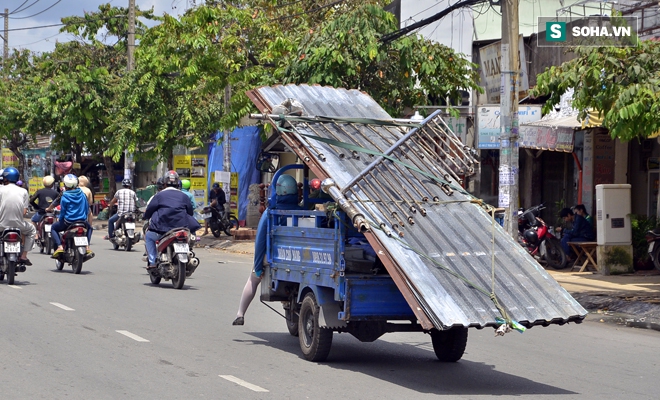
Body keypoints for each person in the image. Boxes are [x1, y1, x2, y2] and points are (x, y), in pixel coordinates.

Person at [233, 174, 301, 326]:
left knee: (253, 280)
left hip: (274, 255)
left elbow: (260, 241)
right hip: (301, 256)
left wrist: (258, 267)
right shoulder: (302, 211)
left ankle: (240, 314)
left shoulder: (271, 212)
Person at [142, 171, 201, 269]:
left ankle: (152, 262)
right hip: (181, 228)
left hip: (161, 229)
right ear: (178, 183)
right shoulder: (184, 196)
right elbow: (190, 212)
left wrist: (145, 216)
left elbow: (150, 210)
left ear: (164, 183)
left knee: (149, 237)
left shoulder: (159, 195)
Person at [49, 174, 94, 258]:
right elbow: (86, 208)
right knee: (90, 228)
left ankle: (59, 247)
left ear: (65, 185)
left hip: (68, 222)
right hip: (82, 221)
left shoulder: (65, 195)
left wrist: (60, 220)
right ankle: (87, 246)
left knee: (53, 228)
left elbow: (63, 211)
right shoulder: (82, 194)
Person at [0, 167, 37, 265]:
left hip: (1, 225)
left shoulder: (0, 190)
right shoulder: (23, 191)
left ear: (5, 178)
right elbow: (24, 212)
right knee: (32, 230)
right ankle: (24, 256)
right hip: (18, 224)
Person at [29, 176, 59, 240]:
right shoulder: (55, 193)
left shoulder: (39, 191)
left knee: (33, 220)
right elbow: (59, 201)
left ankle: (36, 234)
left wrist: (36, 207)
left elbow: (31, 200)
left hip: (41, 212)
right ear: (52, 184)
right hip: (52, 213)